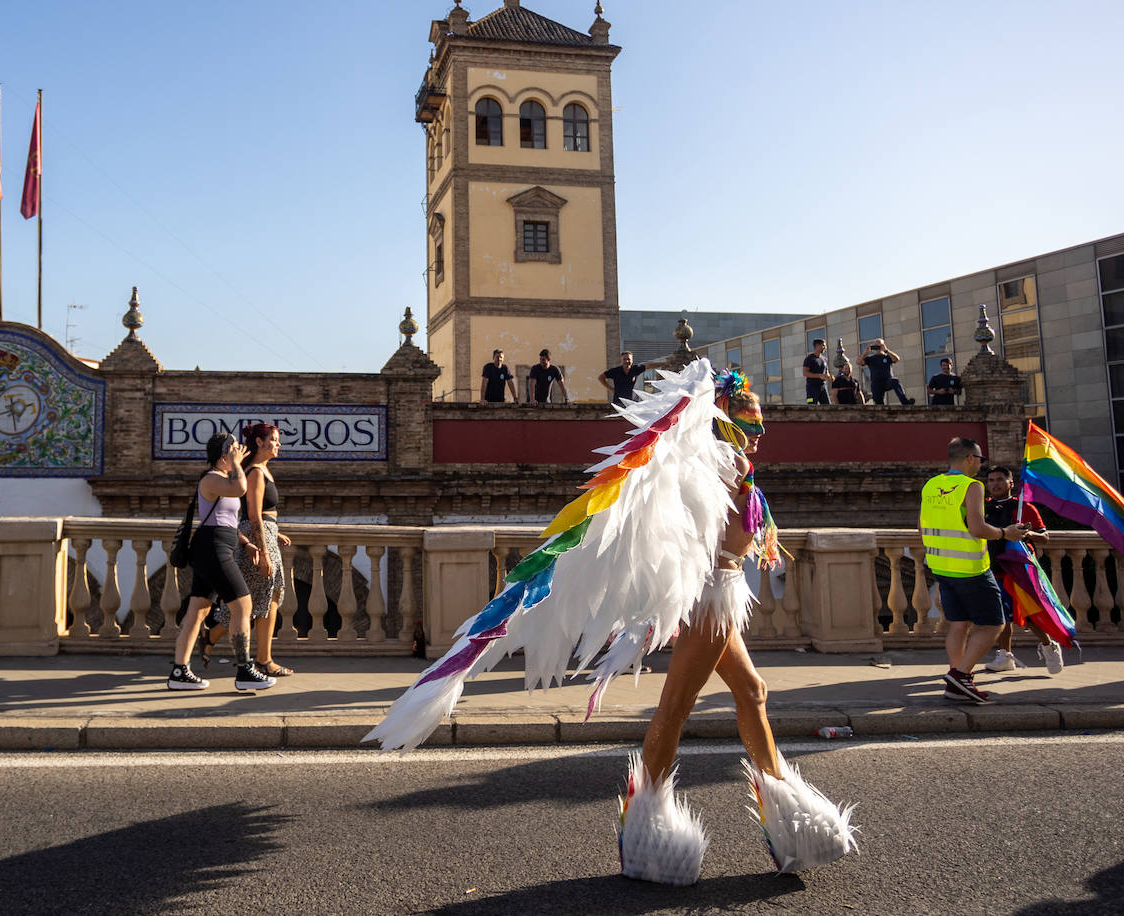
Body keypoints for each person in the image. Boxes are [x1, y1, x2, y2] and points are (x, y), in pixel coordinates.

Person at [366, 361, 856, 884]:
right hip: (709, 598)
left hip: (725, 595)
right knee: (675, 710)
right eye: (749, 426)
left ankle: (784, 825)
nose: (758, 437)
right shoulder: (708, 472)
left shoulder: (738, 472)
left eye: (761, 428)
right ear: (723, 424)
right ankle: (647, 825)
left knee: (752, 692)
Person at [919, 437, 1030, 703]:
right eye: (980, 460)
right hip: (970, 568)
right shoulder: (972, 486)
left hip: (941, 566)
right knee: (994, 624)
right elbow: (978, 528)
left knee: (958, 624)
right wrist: (1007, 533)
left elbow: (922, 527)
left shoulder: (931, 485)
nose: (981, 465)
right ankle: (961, 676)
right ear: (970, 458)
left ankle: (956, 677)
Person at [168, 433, 275, 692]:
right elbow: (240, 488)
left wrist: (245, 543)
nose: (240, 452)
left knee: (198, 610)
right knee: (242, 604)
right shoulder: (211, 479)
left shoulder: (223, 480)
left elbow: (225, 519)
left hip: (220, 544)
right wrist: (237, 463)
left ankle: (179, 671)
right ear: (224, 455)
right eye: (234, 449)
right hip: (212, 548)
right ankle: (244, 670)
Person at [201, 424, 295, 676]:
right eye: (273, 440)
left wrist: (275, 532)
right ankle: (215, 639)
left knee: (269, 596)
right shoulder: (254, 472)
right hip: (258, 540)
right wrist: (264, 551)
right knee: (252, 600)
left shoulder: (263, 470)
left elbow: (264, 515)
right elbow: (253, 515)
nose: (278, 444)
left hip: (267, 535)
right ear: (260, 442)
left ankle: (262, 657)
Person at [980, 465, 1063, 675]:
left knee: (1030, 612)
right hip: (994, 566)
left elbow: (1045, 537)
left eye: (999, 479)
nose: (994, 484)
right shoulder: (983, 507)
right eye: (990, 480)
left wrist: (1026, 533)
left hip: (1020, 569)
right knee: (1001, 615)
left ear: (1011, 483)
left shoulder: (1023, 507)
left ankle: (1049, 646)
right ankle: (1004, 656)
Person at [858, 338, 915, 405]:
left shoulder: (887, 357)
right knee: (878, 403)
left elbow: (896, 359)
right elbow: (858, 362)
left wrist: (886, 350)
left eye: (880, 346)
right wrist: (865, 352)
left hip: (887, 381)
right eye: (876, 346)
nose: (878, 348)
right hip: (876, 383)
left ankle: (905, 402)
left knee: (895, 381)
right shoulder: (871, 359)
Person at [802, 338, 831, 404]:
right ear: (817, 345)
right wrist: (819, 376)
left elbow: (827, 373)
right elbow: (805, 373)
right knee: (811, 404)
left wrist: (829, 377)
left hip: (823, 387)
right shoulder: (809, 358)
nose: (825, 347)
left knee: (828, 406)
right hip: (811, 387)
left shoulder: (825, 359)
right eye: (823, 345)